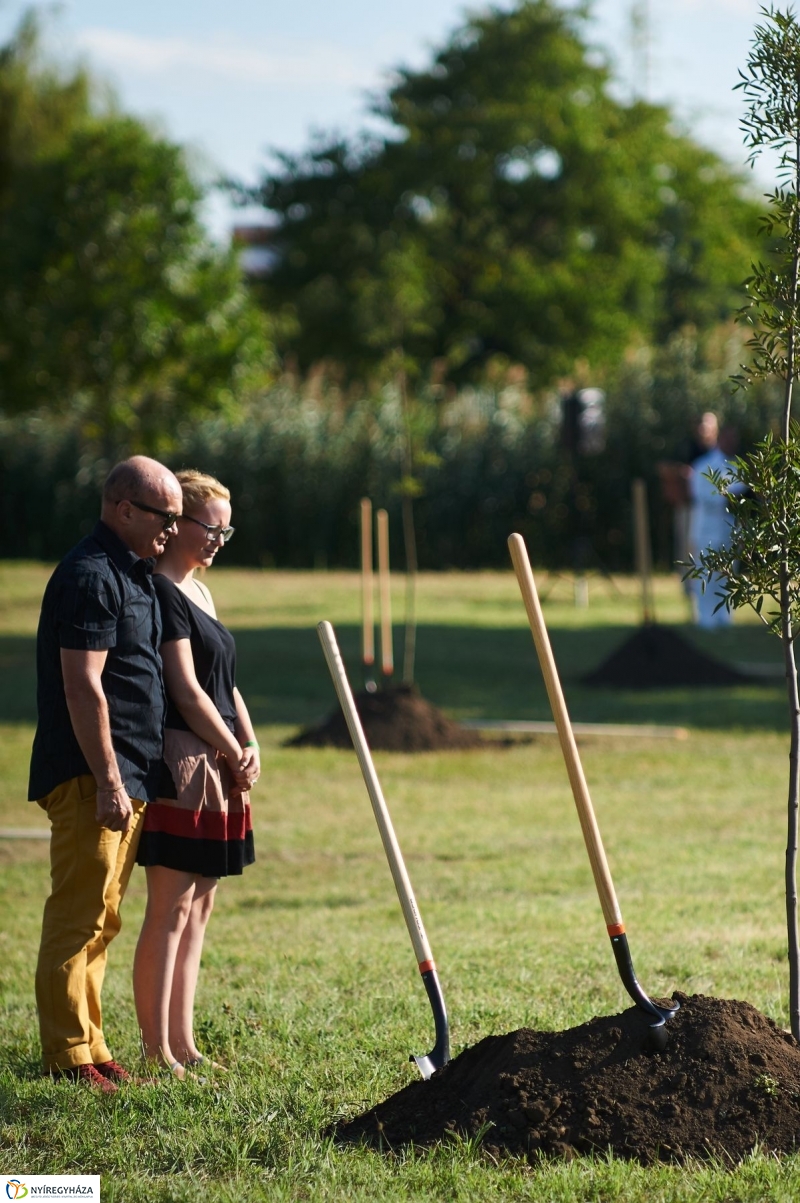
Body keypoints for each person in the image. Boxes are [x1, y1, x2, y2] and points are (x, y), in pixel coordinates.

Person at [30, 456, 183, 1092]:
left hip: (127, 774)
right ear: (123, 509)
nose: (173, 530)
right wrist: (112, 782)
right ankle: (68, 1058)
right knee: (78, 914)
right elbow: (83, 687)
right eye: (164, 516)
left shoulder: (134, 574)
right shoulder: (91, 576)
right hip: (95, 776)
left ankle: (92, 1045)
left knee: (104, 915)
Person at [133, 470, 258, 1078]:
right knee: (169, 907)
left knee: (201, 905)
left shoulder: (202, 592)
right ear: (177, 523)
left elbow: (224, 682)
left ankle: (184, 1043)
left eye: (224, 530)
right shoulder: (161, 590)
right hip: (182, 759)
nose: (217, 539)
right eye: (209, 526)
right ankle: (156, 1051)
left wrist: (249, 740)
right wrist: (231, 747)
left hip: (220, 756)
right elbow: (184, 688)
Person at [687, 412, 742, 629]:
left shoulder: (736, 467)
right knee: (706, 575)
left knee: (727, 574)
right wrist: (728, 495)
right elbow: (703, 495)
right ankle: (705, 620)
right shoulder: (704, 465)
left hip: (728, 530)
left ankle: (724, 618)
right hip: (706, 530)